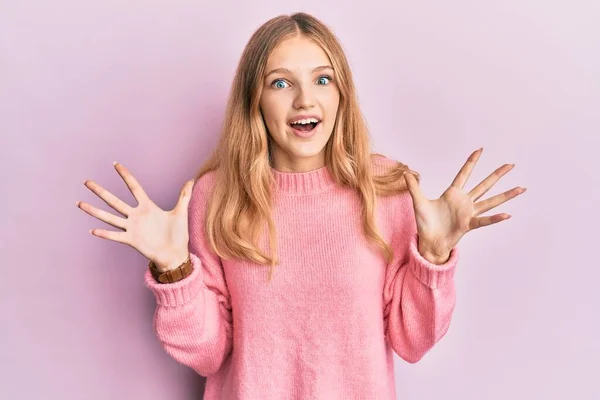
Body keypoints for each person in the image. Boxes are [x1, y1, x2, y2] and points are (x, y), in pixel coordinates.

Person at [76, 12, 526, 399]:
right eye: (281, 82)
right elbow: (209, 353)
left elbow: (412, 342)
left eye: (322, 79)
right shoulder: (216, 197)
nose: (305, 99)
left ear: (340, 94)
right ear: (256, 99)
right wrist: (174, 267)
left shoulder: (387, 190)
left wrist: (434, 255)